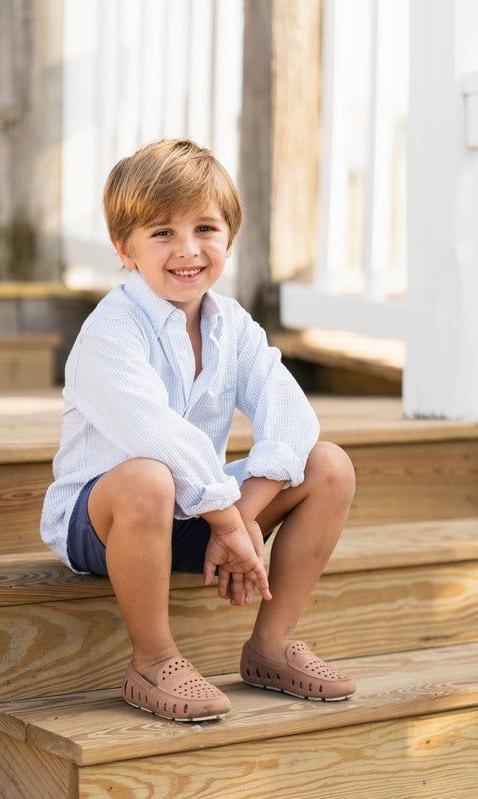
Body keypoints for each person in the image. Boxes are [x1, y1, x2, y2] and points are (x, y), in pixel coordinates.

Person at [41, 139, 356, 722]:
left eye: (205, 228)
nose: (187, 250)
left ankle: (271, 644)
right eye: (161, 233)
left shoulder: (230, 324)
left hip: (201, 518)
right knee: (149, 477)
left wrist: (231, 522)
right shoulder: (110, 331)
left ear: (229, 240)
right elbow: (157, 435)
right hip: (108, 521)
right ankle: (152, 660)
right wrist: (228, 521)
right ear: (123, 248)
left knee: (328, 463)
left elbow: (290, 414)